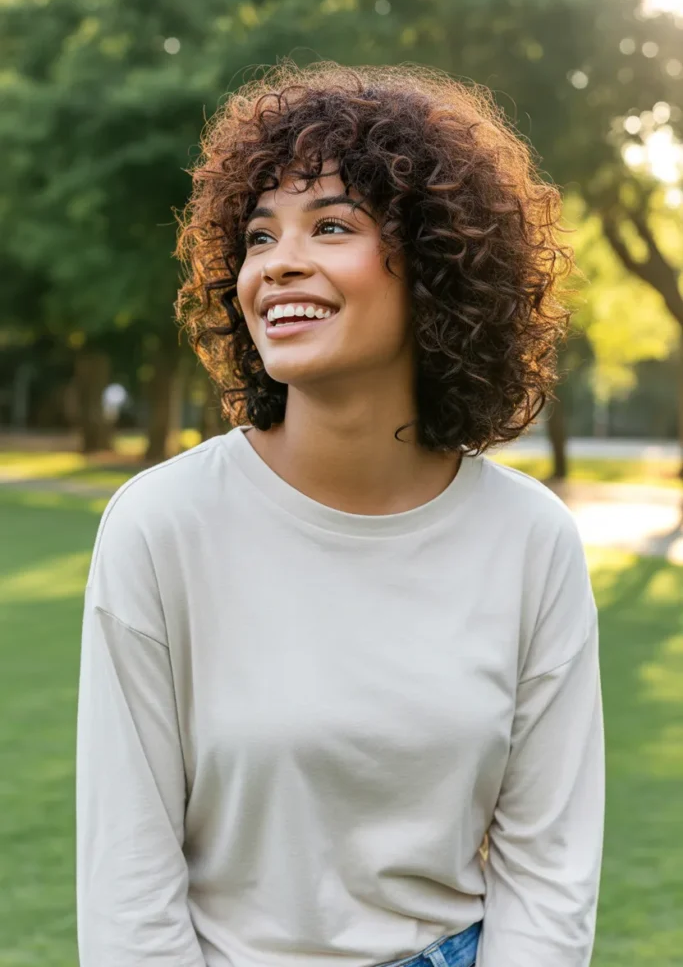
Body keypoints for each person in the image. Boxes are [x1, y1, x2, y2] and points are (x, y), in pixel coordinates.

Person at [76, 62, 604, 967]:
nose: (277, 262)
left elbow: (549, 868)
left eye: (330, 226)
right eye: (256, 235)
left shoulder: (530, 540)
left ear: (437, 264)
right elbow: (127, 873)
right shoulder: (159, 526)